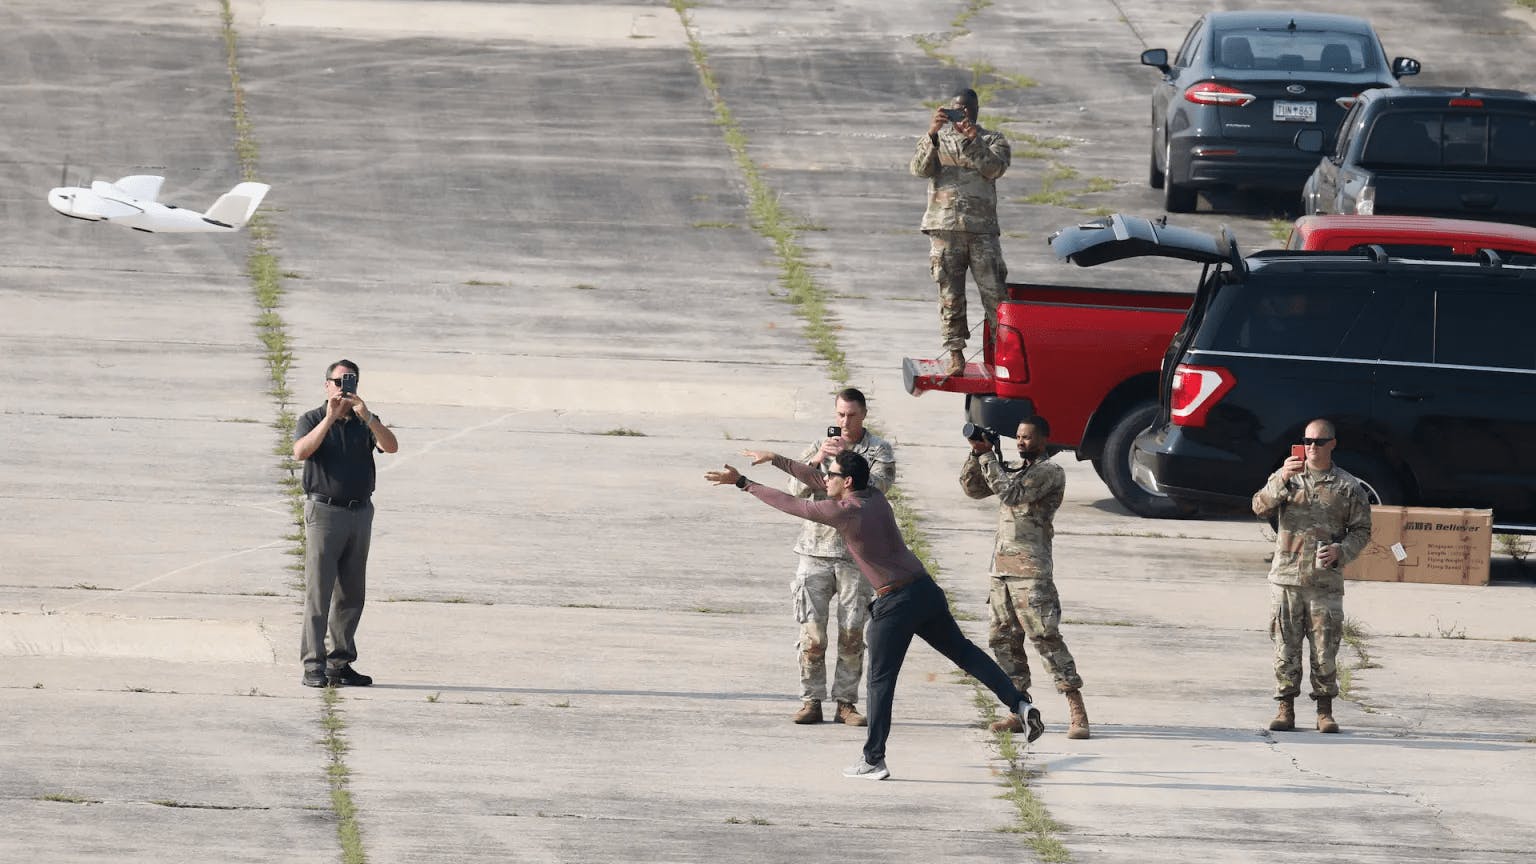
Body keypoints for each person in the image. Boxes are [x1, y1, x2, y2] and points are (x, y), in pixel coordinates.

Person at [707, 450, 1042, 782]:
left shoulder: (845, 512)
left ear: (847, 481)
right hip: (925, 591)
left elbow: (794, 505)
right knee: (965, 652)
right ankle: (1020, 705)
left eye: (832, 474)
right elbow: (815, 480)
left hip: (894, 603)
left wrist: (743, 483)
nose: (825, 478)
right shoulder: (875, 496)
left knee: (880, 682)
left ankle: (874, 760)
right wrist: (778, 460)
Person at [960, 416, 1092, 739]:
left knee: (1044, 636)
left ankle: (1076, 708)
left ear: (1044, 440)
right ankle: (1017, 708)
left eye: (1028, 437)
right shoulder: (1014, 470)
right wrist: (977, 454)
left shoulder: (1049, 473)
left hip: (1031, 572)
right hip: (1001, 570)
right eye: (1018, 437)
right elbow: (973, 488)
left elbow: (1011, 495)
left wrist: (990, 457)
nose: (1021, 442)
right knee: (1003, 640)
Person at [782, 388, 895, 727]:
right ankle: (810, 699)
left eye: (852, 415)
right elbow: (794, 490)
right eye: (840, 415)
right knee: (812, 635)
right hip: (814, 552)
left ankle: (846, 702)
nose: (845, 422)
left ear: (864, 415)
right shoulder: (818, 447)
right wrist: (818, 460)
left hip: (854, 555)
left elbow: (878, 488)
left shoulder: (877, 450)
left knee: (851, 632)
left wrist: (846, 463)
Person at [1251, 419, 1371, 733]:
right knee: (1285, 648)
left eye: (1319, 442)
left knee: (1325, 648)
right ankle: (1285, 708)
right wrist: (1280, 479)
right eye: (1307, 441)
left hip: (1324, 582)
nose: (1311, 448)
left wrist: (1340, 552)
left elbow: (1362, 530)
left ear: (1333, 444)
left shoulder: (1347, 487)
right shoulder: (1286, 477)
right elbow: (1259, 506)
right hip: (1287, 578)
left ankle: (1324, 711)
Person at [293, 359, 400, 688]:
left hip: (360, 513)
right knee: (319, 592)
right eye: (338, 382)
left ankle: (340, 662)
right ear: (327, 385)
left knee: (351, 593)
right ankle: (314, 664)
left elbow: (390, 446)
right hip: (324, 513)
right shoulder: (311, 418)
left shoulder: (363, 420)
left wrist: (366, 416)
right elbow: (300, 451)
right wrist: (329, 418)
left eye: (349, 382)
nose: (343, 388)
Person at [911, 87, 1012, 377]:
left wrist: (973, 140)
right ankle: (956, 354)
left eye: (968, 108)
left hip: (981, 230)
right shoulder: (937, 139)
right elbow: (919, 168)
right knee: (949, 295)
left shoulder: (992, 140)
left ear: (977, 109)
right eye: (958, 108)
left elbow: (993, 168)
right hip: (945, 228)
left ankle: (1003, 353)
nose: (963, 113)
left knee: (995, 294)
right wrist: (932, 134)